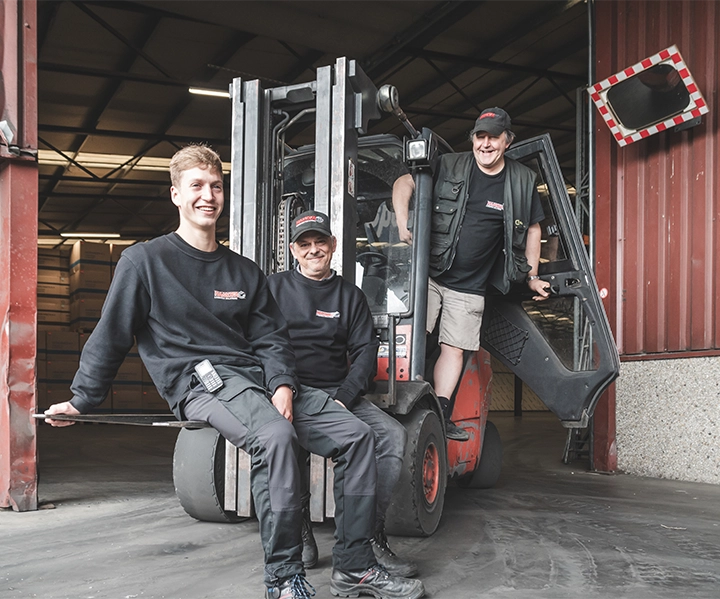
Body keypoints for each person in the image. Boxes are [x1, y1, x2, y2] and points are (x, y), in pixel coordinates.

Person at [44, 145, 424, 599]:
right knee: (275, 438)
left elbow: (270, 339)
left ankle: (354, 566)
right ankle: (284, 579)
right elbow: (111, 334)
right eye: (197, 186)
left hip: (255, 379)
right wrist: (82, 398)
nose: (209, 195)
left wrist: (283, 384)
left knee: (358, 436)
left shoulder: (243, 271)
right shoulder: (144, 262)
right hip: (200, 379)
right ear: (176, 195)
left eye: (216, 186)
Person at [267, 210, 418, 578]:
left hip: (336, 392)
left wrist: (345, 398)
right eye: (305, 244)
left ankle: (366, 535)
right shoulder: (273, 289)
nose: (314, 250)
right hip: (289, 391)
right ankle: (299, 524)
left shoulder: (349, 296)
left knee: (391, 436)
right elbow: (259, 341)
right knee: (284, 439)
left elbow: (367, 351)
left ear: (333, 246)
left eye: (321, 242)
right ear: (293, 250)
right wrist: (277, 387)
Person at [392, 107, 550, 441]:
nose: (486, 143)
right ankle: (400, 405)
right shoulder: (449, 164)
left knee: (455, 348)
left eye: (494, 137)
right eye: (481, 136)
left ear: (507, 141)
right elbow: (404, 182)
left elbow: (534, 229)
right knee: (412, 334)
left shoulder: (521, 180)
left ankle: (440, 414)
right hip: (430, 274)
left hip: (472, 285)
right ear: (474, 139)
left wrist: (532, 274)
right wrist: (401, 221)